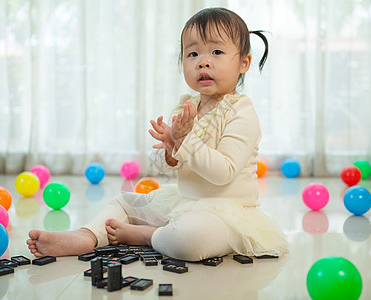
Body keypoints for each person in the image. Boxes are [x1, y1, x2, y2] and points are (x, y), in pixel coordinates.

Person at [27, 7, 288, 261]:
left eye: (216, 51)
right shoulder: (187, 106)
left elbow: (223, 173)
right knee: (126, 201)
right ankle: (87, 235)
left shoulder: (241, 110)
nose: (203, 61)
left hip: (228, 214)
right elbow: (169, 168)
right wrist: (170, 148)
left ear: (244, 63)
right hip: (186, 202)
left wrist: (185, 141)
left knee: (191, 239)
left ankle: (148, 235)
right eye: (192, 53)